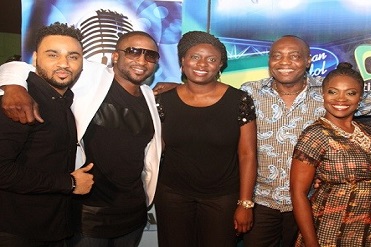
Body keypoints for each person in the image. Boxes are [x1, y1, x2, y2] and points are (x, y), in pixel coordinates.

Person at [0, 30, 162, 247]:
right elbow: (22, 67)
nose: (142, 60)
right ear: (116, 56)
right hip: (88, 212)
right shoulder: (90, 76)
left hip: (132, 212)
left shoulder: (150, 96)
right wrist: (13, 86)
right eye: (133, 51)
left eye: (150, 55)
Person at [239, 35, 371, 247]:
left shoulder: (329, 91)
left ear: (309, 60)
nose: (285, 62)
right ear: (269, 59)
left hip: (310, 204)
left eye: (294, 56)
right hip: (262, 200)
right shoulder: (250, 92)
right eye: (277, 56)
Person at [153, 31, 257, 247]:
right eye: (195, 57)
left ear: (220, 66)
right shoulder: (162, 100)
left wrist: (245, 203)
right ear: (183, 61)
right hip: (172, 195)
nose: (202, 64)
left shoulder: (239, 100)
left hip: (222, 198)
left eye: (212, 59)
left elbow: (247, 154)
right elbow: (155, 149)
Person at [0, 22, 94, 246]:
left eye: (73, 56)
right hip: (18, 231)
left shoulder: (65, 100)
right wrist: (69, 183)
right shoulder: (20, 102)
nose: (64, 63)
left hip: (54, 227)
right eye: (53, 55)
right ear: (34, 59)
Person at [290, 62, 371, 246]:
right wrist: (312, 244)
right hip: (331, 231)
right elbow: (298, 194)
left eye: (350, 93)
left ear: (360, 97)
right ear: (323, 94)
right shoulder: (315, 135)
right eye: (333, 92)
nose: (341, 99)